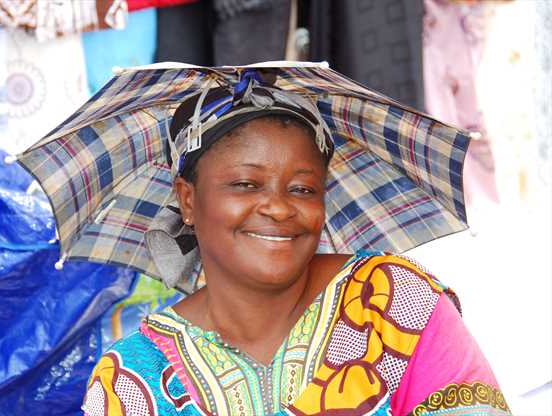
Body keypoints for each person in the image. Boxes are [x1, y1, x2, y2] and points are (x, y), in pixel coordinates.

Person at [81, 77, 510, 416]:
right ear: (188, 199)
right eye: (246, 184)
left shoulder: (392, 305)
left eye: (303, 189)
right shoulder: (132, 380)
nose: (279, 208)